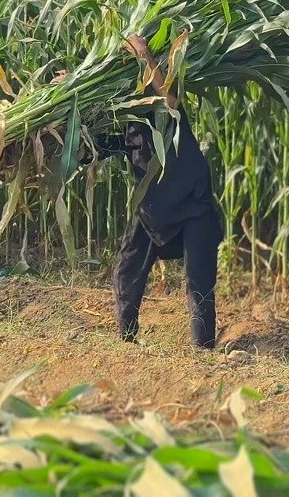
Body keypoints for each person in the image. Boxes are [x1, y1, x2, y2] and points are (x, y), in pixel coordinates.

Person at [82, 35, 222, 349]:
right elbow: (106, 145)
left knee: (199, 279)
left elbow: (170, 101)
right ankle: (126, 340)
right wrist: (71, 94)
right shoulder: (130, 117)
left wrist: (144, 55)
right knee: (128, 268)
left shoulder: (166, 106)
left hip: (192, 203)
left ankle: (204, 350)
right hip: (153, 209)